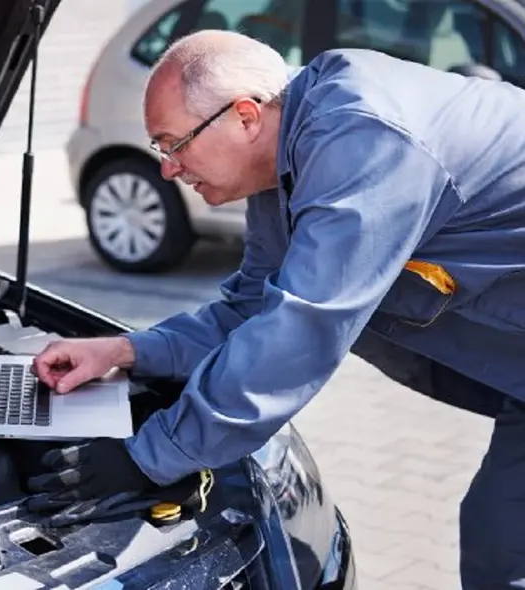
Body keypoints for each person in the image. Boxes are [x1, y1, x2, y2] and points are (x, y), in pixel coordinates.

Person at [26, 30, 525, 589]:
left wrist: (152, 457)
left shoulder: (366, 139)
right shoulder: (287, 166)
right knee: (501, 545)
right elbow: (252, 309)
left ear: (243, 116)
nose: (167, 169)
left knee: (507, 557)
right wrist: (125, 350)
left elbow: (301, 330)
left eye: (173, 144)